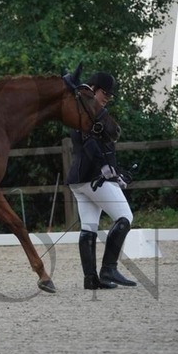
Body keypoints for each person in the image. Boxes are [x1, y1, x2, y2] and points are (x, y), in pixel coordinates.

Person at [66, 71, 137, 290]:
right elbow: (90, 145)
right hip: (93, 178)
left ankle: (91, 279)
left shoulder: (83, 112)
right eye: (105, 93)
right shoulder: (87, 113)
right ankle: (108, 269)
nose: (107, 97)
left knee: (89, 227)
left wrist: (116, 172)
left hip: (79, 180)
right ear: (93, 89)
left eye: (110, 95)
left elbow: (100, 147)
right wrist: (106, 170)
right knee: (125, 217)